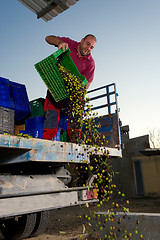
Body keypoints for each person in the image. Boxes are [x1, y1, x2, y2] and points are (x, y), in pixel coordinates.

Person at [42, 34, 97, 141]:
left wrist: (79, 86)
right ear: (82, 40)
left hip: (72, 92)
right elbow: (48, 38)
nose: (88, 48)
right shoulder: (69, 44)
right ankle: (47, 137)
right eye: (88, 44)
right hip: (58, 85)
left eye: (92, 47)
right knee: (52, 107)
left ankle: (75, 137)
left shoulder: (90, 63)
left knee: (79, 105)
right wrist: (59, 43)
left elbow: (86, 85)